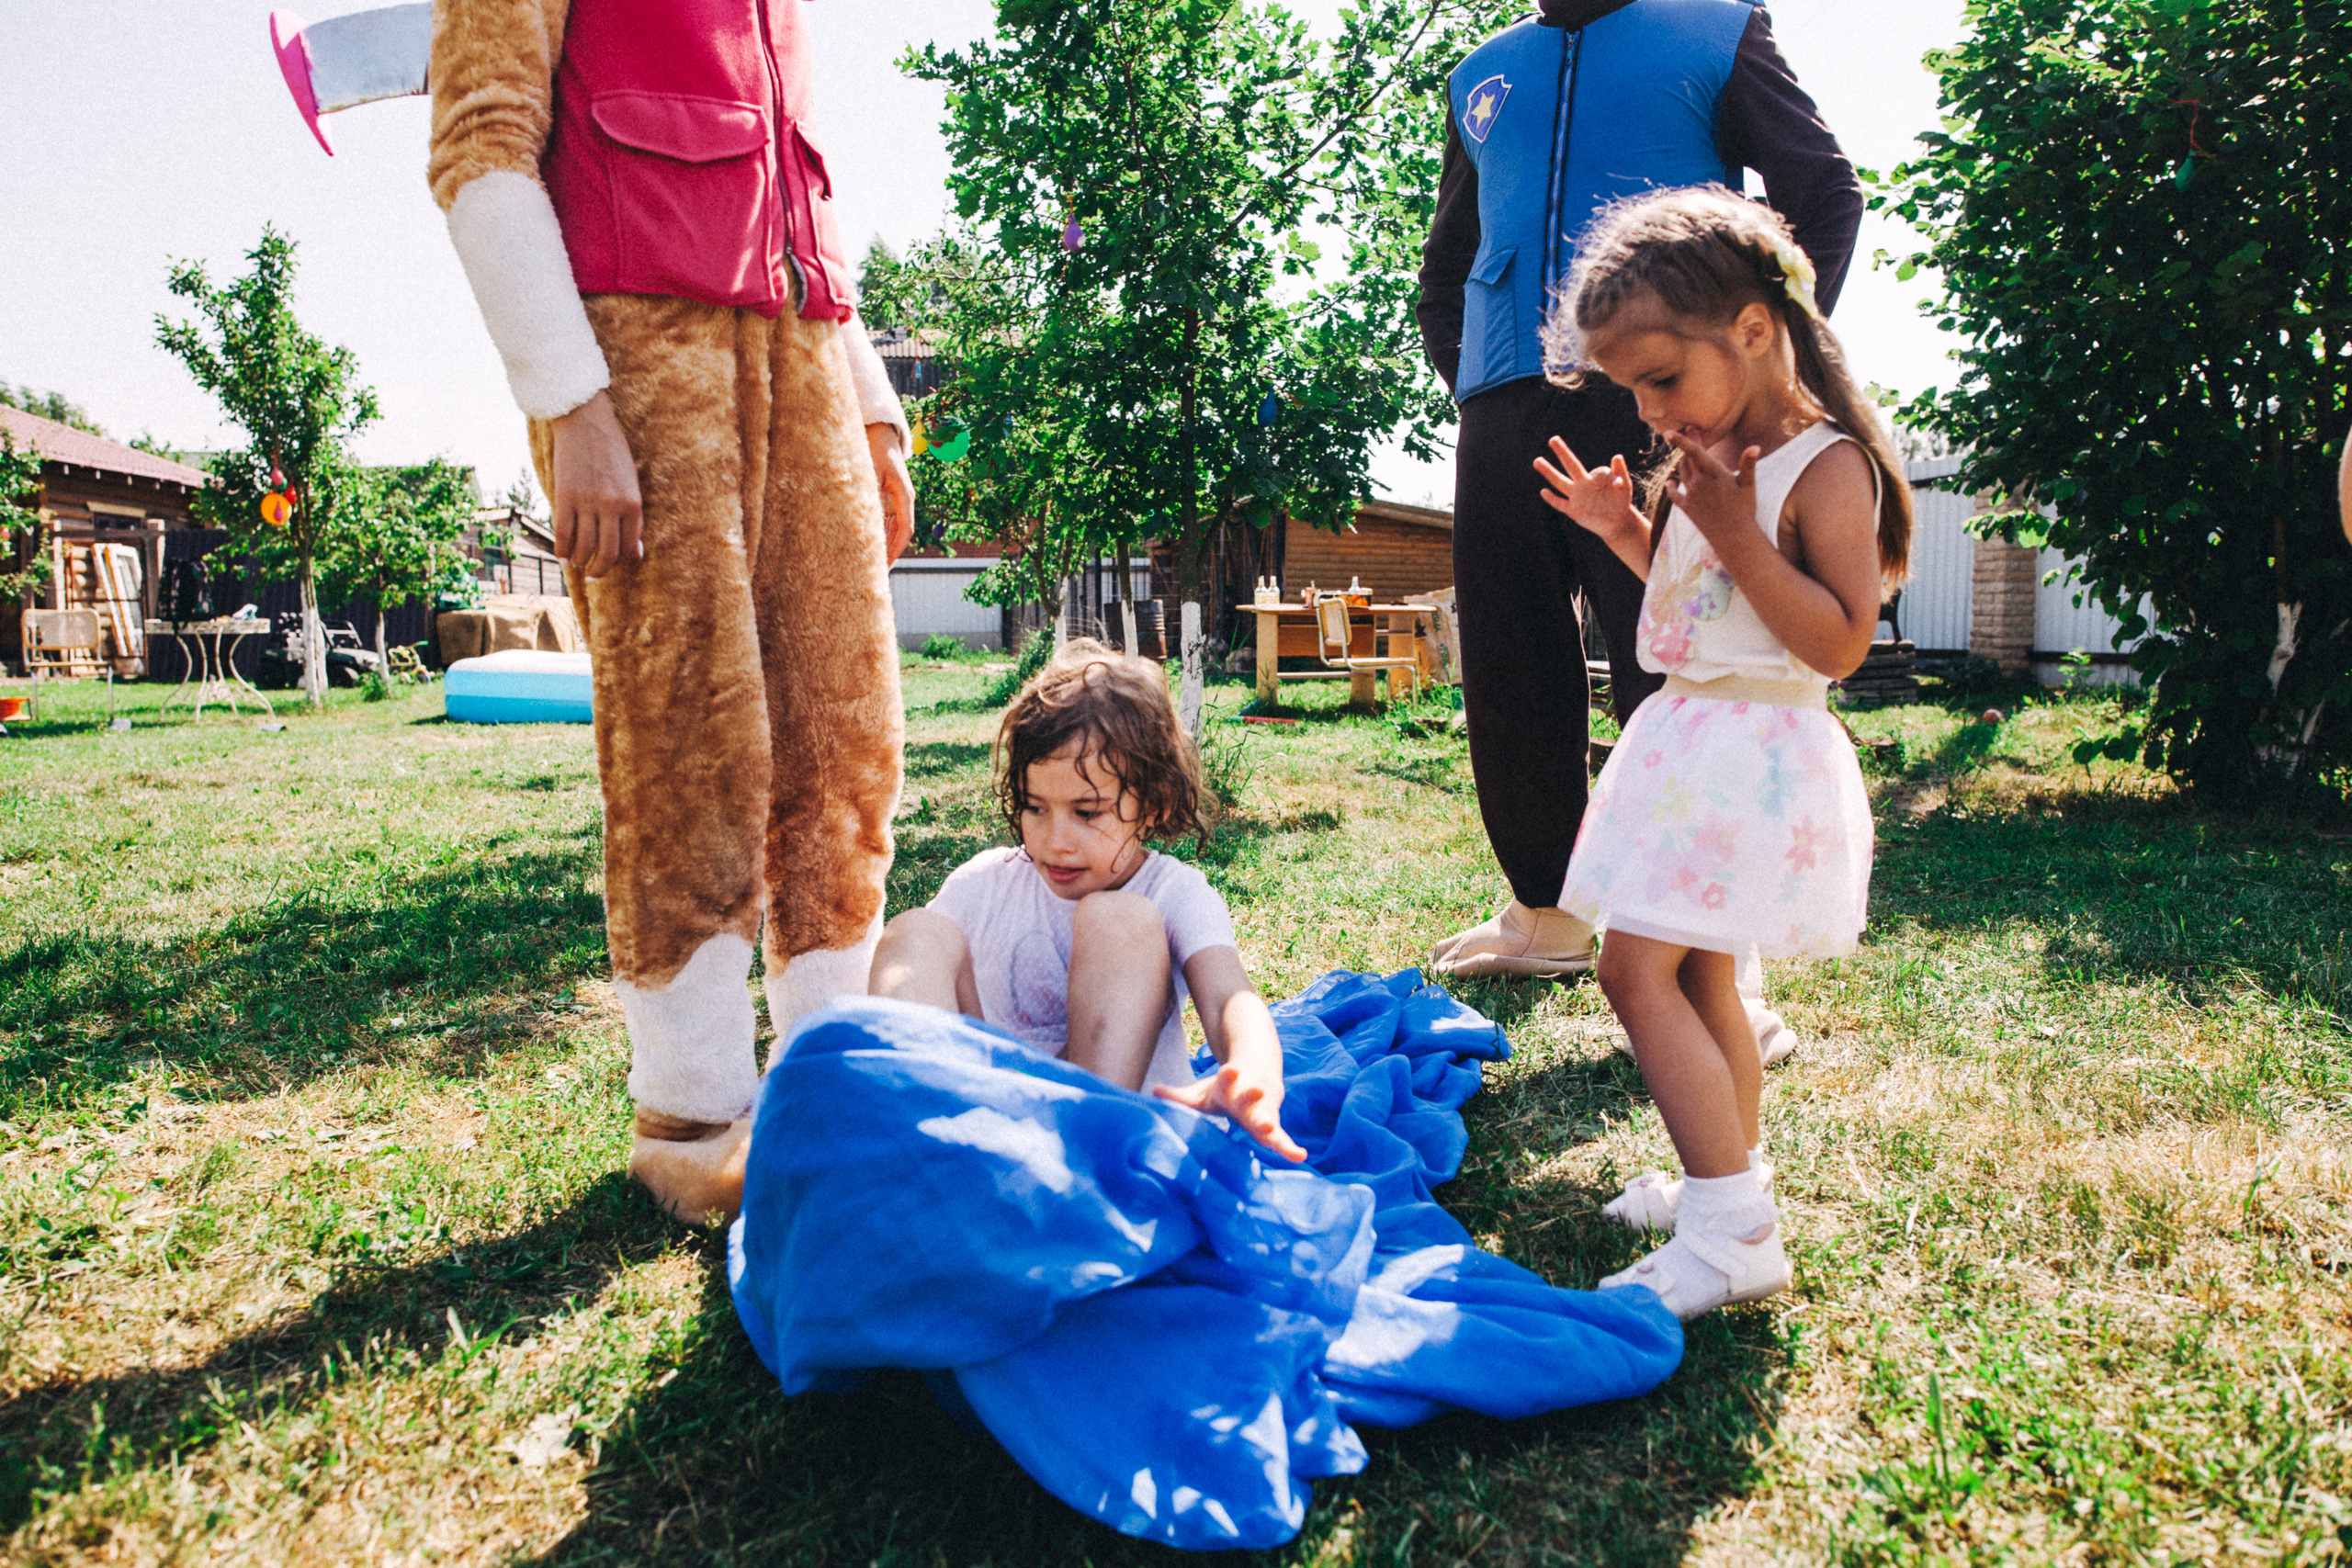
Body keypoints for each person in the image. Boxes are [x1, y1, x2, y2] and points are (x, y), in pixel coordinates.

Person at [428, 0, 916, 1223]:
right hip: (641, 356)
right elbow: (481, 149)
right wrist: (572, 404)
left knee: (842, 732)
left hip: (803, 359)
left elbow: (801, 186)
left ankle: (829, 1081)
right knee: (687, 737)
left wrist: (873, 415)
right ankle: (693, 1107)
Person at [1418, 0, 1861, 1059]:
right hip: (1502, 407)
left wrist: (1755, 384)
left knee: (1678, 664)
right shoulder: (1481, 72)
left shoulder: (1714, 31)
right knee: (1513, 663)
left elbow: (1822, 197)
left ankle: (1718, 958)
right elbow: (1447, 266)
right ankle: (1548, 911)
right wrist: (1476, 384)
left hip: (1660, 395)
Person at [1532, 187, 1911, 1318]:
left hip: (1747, 761)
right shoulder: (1712, 455)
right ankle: (1723, 1172)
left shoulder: (1820, 466)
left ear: (1752, 329)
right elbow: (1708, 606)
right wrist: (1631, 534)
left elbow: (1833, 642)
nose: (1648, 413)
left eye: (1659, 378)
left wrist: (1741, 529)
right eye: (1631, 389)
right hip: (1691, 741)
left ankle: (1732, 1228)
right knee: (1698, 975)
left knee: (1631, 968)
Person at [870, 642, 1307, 1162]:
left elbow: (1228, 997)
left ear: (1153, 805)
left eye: (1087, 812)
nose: (1055, 841)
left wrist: (1253, 1068)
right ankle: (919, 1130)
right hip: (988, 1131)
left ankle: (1076, 1155)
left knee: (1116, 917)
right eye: (1035, 807)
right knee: (917, 929)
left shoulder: (1173, 892)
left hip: (1112, 1142)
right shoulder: (985, 884)